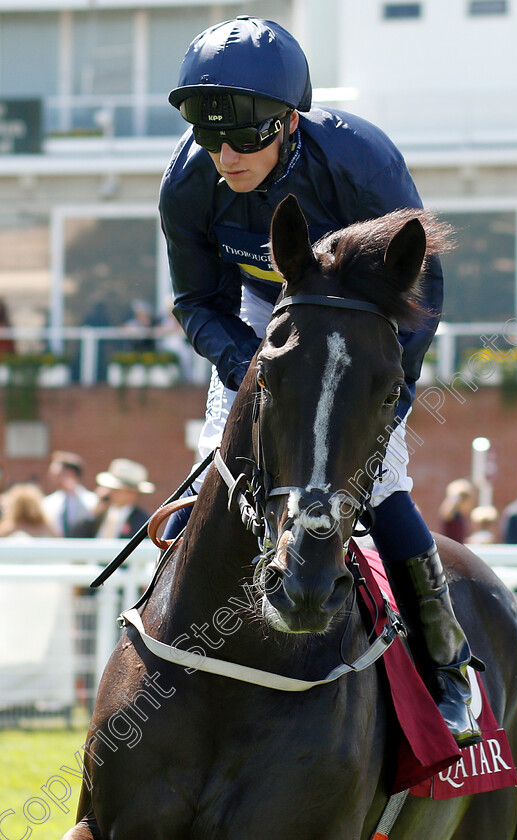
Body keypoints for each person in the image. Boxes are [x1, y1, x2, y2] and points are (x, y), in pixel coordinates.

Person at [158, 16, 480, 746]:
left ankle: (447, 665)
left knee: (385, 484)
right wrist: (251, 372)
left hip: (363, 316)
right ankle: (154, 664)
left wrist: (393, 394)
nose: (225, 156)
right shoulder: (188, 182)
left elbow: (419, 283)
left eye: (244, 139)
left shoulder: (359, 161)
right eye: (211, 139)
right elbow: (196, 302)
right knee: (209, 482)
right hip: (260, 312)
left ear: (290, 121)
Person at [71, 458, 154, 539]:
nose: (111, 492)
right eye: (111, 488)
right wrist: (93, 514)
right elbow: (75, 538)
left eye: (118, 489)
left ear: (133, 494)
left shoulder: (143, 522)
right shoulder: (99, 513)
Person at [43, 450, 98, 537]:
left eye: (57, 474)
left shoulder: (92, 502)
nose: (51, 478)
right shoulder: (48, 503)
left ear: (71, 474)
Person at [438, 478, 478, 544]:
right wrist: (456, 496)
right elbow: (446, 513)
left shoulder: (459, 514)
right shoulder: (451, 513)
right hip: (450, 550)